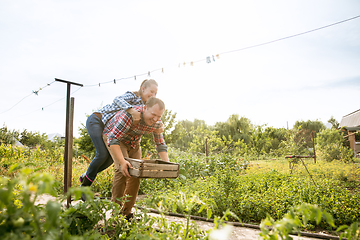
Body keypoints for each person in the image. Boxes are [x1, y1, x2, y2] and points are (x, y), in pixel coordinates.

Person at [80, 79, 161, 190]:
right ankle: (85, 185)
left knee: (111, 158)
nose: (153, 95)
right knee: (102, 154)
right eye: (151, 91)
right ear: (143, 89)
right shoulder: (133, 96)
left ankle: (87, 176)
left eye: (155, 93)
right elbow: (117, 99)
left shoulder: (145, 106)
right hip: (98, 120)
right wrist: (131, 110)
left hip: (111, 129)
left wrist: (160, 125)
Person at [103, 96, 168, 219]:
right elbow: (113, 139)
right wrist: (122, 162)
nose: (155, 119)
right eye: (153, 114)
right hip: (115, 138)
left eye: (159, 116)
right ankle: (115, 214)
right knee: (122, 171)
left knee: (137, 172)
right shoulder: (130, 116)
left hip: (133, 142)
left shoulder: (157, 123)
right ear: (145, 108)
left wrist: (167, 164)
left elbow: (160, 144)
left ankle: (126, 212)